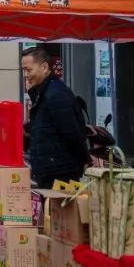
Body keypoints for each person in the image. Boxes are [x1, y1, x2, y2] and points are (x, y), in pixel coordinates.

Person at [22, 48, 89, 186]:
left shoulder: (56, 95)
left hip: (60, 175)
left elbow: (73, 134)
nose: (26, 75)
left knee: (59, 208)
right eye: (24, 71)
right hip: (48, 171)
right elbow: (43, 126)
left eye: (29, 70)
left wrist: (82, 162)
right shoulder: (43, 93)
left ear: (45, 67)